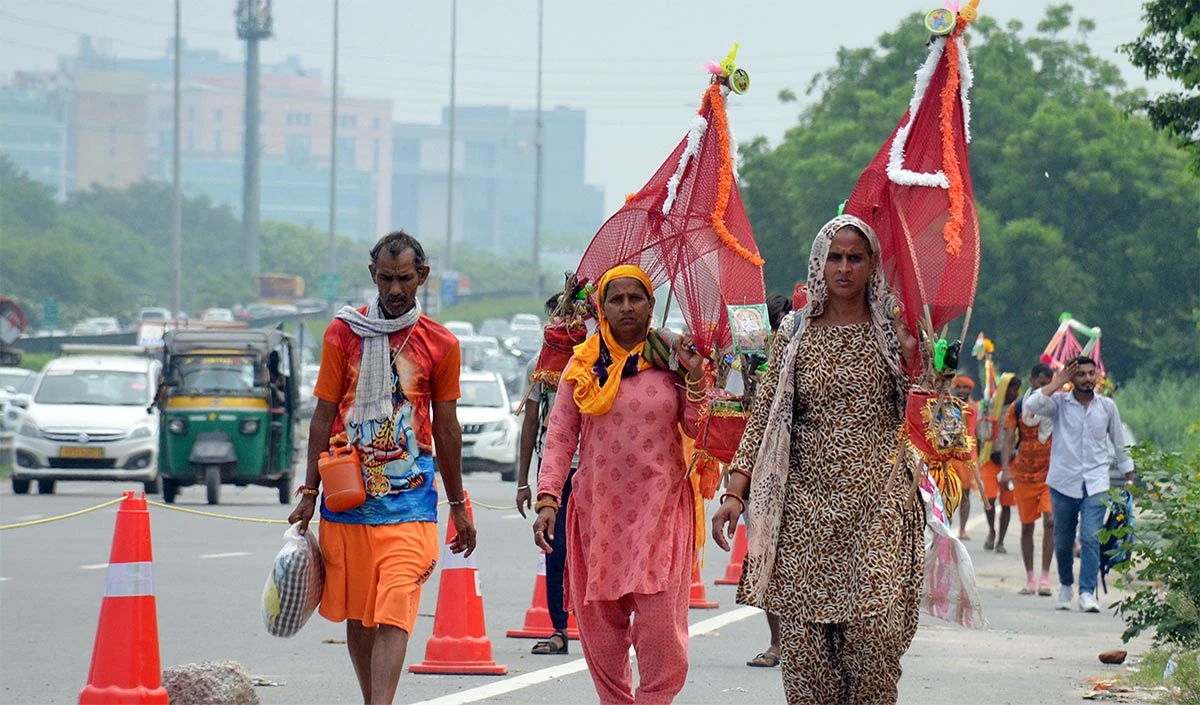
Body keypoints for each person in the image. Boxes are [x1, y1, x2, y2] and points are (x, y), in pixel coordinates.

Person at [712, 214, 922, 705]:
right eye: (835, 257)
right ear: (818, 263)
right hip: (805, 511)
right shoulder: (794, 335)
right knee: (807, 663)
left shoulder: (896, 336)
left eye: (855, 257)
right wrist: (734, 493)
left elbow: (929, 419)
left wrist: (919, 366)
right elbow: (763, 423)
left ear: (872, 265)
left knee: (874, 646)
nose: (844, 267)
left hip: (879, 507)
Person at [287, 230, 477, 705]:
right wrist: (309, 495)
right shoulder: (342, 332)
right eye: (386, 279)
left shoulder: (442, 344)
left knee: (395, 602)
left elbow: (448, 429)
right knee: (360, 612)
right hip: (347, 497)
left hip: (411, 502)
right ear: (372, 275)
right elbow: (324, 415)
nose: (395, 290)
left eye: (405, 279)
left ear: (423, 277)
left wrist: (459, 505)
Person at [533, 264, 707, 704]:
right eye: (617, 299)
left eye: (637, 298)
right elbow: (560, 435)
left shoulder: (673, 359)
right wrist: (548, 497)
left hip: (661, 510)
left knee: (661, 631)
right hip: (599, 515)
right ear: (602, 307)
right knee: (602, 631)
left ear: (651, 305)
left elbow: (696, 427)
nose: (627, 307)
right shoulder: (584, 363)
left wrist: (698, 380)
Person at [1025, 356, 1134, 613]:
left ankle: (1087, 592)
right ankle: (1065, 585)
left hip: (1096, 483)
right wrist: (1057, 382)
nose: (1087, 378)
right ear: (1071, 378)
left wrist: (1129, 476)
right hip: (1063, 482)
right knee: (1062, 542)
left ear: (1097, 377)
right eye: (1081, 374)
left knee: (1090, 538)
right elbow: (1031, 405)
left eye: (1090, 373)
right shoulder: (1058, 404)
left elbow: (1119, 443)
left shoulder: (1107, 407)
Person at [516, 293, 577, 656]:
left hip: (597, 469)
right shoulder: (541, 364)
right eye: (557, 316)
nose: (563, 322)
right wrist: (524, 480)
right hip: (554, 467)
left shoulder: (602, 358)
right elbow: (530, 422)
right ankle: (559, 628)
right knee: (556, 549)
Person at [745, 292, 792, 669]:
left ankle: (803, 643)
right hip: (763, 473)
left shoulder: (810, 353)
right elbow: (751, 418)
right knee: (765, 558)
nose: (782, 334)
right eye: (777, 327)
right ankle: (777, 643)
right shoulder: (754, 363)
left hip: (805, 475)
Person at [1003, 362, 1056, 596]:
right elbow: (1007, 439)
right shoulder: (1017, 407)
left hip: (1051, 473)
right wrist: (1005, 468)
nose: (1043, 387)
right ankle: (1030, 578)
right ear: (1032, 380)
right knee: (1026, 527)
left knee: (1051, 522)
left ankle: (1045, 577)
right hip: (1023, 473)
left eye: (1048, 384)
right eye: (1039, 383)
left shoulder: (1057, 407)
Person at [980, 372, 1020, 553]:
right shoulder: (989, 405)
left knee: (1007, 503)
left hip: (1011, 461)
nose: (1015, 393)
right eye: (1012, 389)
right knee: (988, 499)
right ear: (1005, 389)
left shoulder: (1019, 408)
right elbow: (982, 432)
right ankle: (991, 531)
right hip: (990, 458)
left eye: (1017, 389)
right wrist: (986, 414)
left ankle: (1001, 541)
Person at [949, 375, 978, 540]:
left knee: (965, 494)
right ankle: (948, 524)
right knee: (950, 492)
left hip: (968, 456)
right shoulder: (948, 405)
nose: (962, 390)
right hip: (951, 455)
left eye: (965, 388)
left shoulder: (974, 407)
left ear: (970, 390)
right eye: (959, 387)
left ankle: (962, 529)